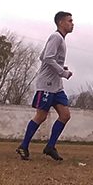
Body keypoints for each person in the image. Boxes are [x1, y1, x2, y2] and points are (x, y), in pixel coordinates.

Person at [16, 12, 74, 161]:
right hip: (47, 85)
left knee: (65, 115)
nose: (72, 23)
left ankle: (50, 146)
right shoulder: (56, 37)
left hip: (56, 86)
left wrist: (60, 67)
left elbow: (43, 57)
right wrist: (62, 72)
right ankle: (24, 146)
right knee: (41, 116)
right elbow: (47, 58)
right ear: (61, 22)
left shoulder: (60, 39)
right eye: (69, 21)